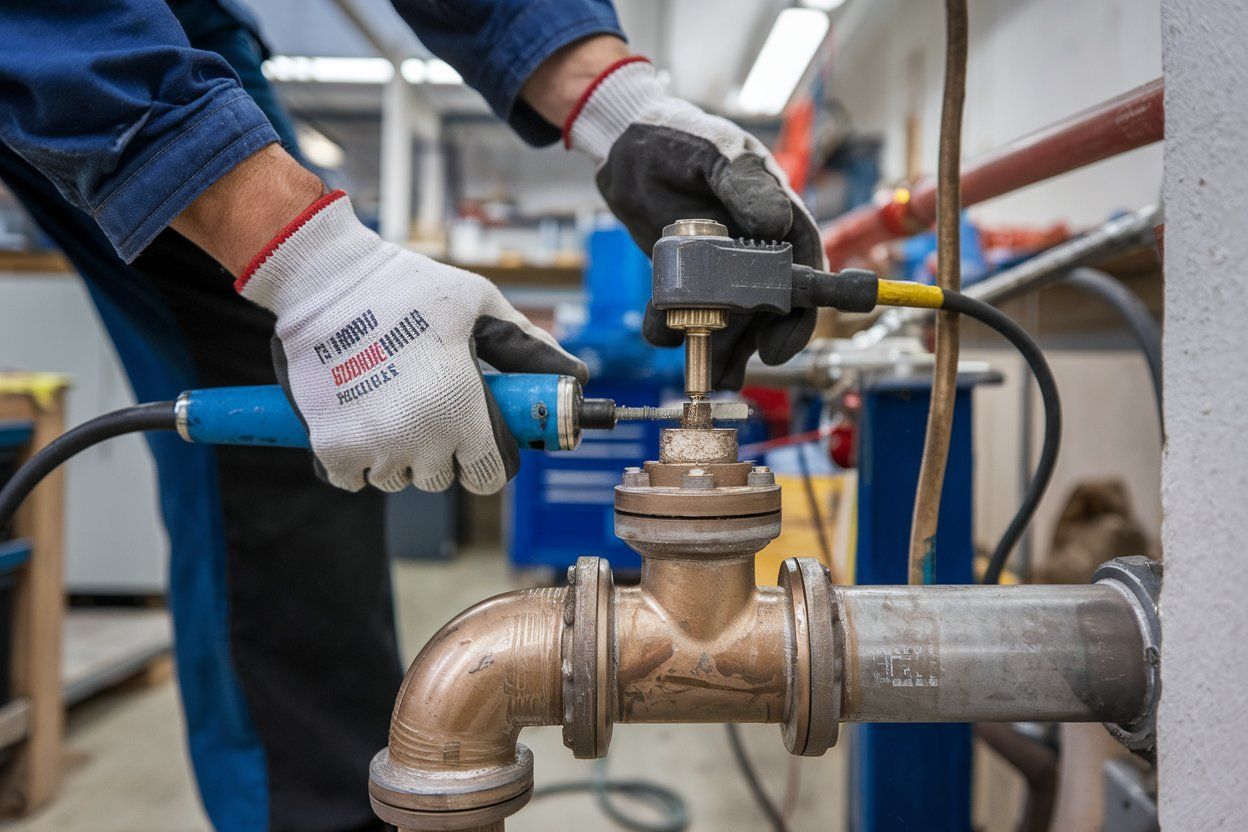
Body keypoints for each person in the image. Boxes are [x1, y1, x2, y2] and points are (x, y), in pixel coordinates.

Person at [0, 1, 823, 830]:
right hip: (80, 30)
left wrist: (615, 101)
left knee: (299, 429)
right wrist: (314, 267)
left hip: (168, 28)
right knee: (274, 405)